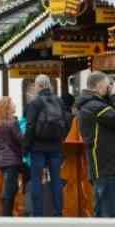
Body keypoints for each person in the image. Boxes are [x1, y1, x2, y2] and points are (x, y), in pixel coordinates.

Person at [76, 71, 115, 218]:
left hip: (106, 167)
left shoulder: (92, 105)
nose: (110, 89)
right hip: (107, 168)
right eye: (108, 85)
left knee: (103, 215)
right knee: (111, 215)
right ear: (99, 85)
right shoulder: (94, 106)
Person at [24, 74, 67, 217]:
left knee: (36, 179)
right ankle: (58, 211)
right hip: (55, 147)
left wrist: (26, 147)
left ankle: (37, 213)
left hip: (38, 147)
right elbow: (65, 123)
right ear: (49, 85)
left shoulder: (34, 103)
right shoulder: (59, 102)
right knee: (56, 179)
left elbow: (30, 127)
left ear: (38, 86)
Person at [0, 96, 26, 217]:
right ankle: (6, 217)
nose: (15, 105)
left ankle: (7, 215)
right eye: (13, 104)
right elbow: (21, 140)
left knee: (11, 188)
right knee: (10, 190)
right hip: (12, 160)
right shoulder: (12, 123)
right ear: (7, 107)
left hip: (2, 161)